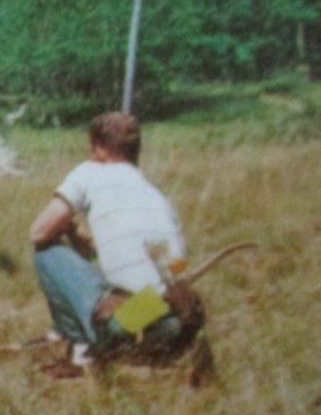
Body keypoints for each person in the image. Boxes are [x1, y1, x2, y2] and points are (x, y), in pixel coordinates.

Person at [28, 111, 202, 378]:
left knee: (45, 252)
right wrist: (86, 242)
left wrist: (67, 226)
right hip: (176, 323)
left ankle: (81, 354)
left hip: (131, 319)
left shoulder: (89, 172)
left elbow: (39, 231)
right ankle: (146, 355)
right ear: (135, 150)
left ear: (97, 148)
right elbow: (171, 267)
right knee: (145, 297)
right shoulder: (156, 196)